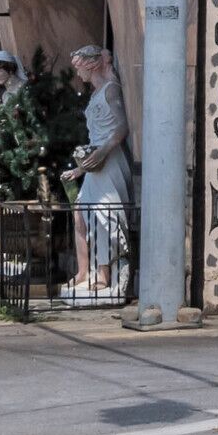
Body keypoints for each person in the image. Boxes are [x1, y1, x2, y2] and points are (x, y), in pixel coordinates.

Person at [66, 42, 133, 305]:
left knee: (104, 217)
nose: (78, 74)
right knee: (80, 215)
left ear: (91, 65)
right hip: (95, 161)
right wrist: (80, 167)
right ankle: (83, 271)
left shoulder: (110, 90)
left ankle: (104, 274)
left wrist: (102, 153)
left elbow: (121, 128)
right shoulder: (96, 93)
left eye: (79, 68)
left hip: (109, 161)